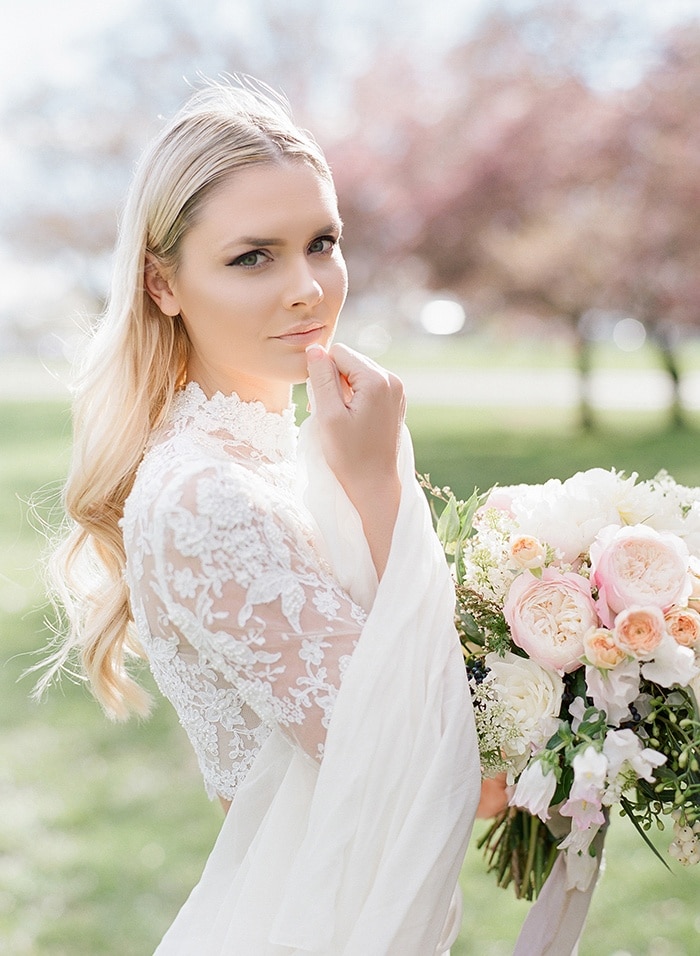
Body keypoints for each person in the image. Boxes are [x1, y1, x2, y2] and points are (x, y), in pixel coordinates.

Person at [39, 76, 481, 954]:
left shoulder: (271, 455)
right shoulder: (203, 496)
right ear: (162, 284)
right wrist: (381, 490)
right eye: (255, 257)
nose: (308, 288)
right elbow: (423, 763)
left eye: (322, 242)